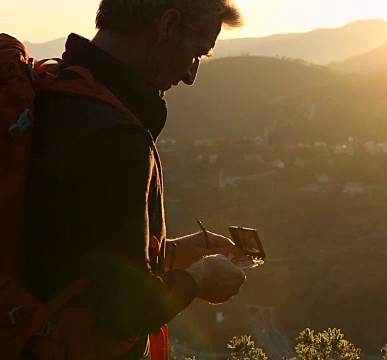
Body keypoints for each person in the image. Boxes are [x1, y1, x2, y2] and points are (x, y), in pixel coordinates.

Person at [22, 0, 246, 358]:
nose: (191, 75)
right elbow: (122, 312)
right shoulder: (113, 136)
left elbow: (66, 250)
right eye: (197, 54)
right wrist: (200, 278)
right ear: (168, 25)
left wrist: (169, 253)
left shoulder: (52, 92)